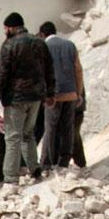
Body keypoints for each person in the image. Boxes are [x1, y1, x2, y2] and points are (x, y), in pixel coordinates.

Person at [0, 12, 53, 184]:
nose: (4, 31)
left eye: (5, 28)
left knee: (13, 137)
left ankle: (10, 178)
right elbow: (49, 70)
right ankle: (34, 169)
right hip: (36, 97)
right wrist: (50, 94)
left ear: (10, 27)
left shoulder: (9, 45)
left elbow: (1, 74)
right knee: (28, 134)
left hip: (16, 98)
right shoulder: (39, 43)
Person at [39, 21, 83, 173]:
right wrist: (78, 92)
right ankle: (64, 162)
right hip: (70, 94)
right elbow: (78, 70)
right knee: (67, 129)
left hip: (53, 96)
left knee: (50, 129)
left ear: (42, 34)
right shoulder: (70, 45)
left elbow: (41, 72)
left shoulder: (44, 47)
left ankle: (46, 162)